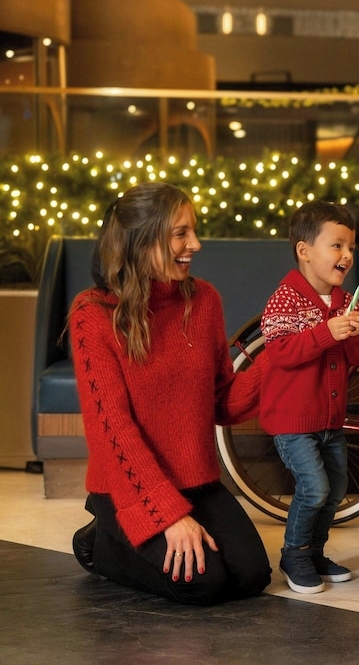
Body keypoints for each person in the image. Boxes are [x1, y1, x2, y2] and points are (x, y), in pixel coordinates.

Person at [69, 182, 272, 605]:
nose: (194, 244)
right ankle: (103, 544)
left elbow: (223, 402)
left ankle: (127, 538)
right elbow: (113, 433)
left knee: (252, 575)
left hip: (196, 479)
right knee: (204, 583)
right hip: (126, 486)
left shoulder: (204, 300)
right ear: (141, 241)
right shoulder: (92, 314)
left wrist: (282, 359)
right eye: (180, 233)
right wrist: (168, 516)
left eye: (193, 231)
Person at [258, 201, 359, 594]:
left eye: (350, 247)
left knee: (336, 490)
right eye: (336, 245)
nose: (346, 255)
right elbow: (279, 352)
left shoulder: (344, 302)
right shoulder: (285, 298)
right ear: (304, 250)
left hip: (330, 420)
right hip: (293, 421)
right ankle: (294, 554)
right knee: (315, 489)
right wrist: (328, 332)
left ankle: (314, 552)